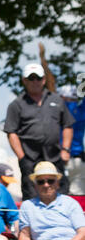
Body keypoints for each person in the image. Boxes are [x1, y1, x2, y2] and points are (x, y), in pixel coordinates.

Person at [4, 63, 75, 200]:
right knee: (31, 198)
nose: (35, 81)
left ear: (44, 79)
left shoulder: (56, 100)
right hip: (30, 160)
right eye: (31, 78)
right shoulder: (16, 104)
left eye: (38, 77)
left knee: (62, 197)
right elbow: (11, 132)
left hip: (55, 157)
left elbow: (67, 125)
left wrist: (66, 150)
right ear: (24, 80)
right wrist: (22, 157)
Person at [39, 43, 85, 195]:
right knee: (78, 200)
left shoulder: (58, 108)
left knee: (55, 197)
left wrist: (43, 60)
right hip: (77, 160)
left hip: (59, 158)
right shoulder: (81, 109)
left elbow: (51, 84)